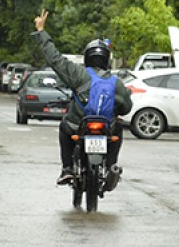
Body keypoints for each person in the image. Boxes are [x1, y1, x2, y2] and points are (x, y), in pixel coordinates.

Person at [33, 10, 134, 186]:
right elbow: (126, 108)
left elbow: (55, 59)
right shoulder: (115, 82)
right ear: (107, 59)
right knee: (118, 126)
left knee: (64, 126)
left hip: (78, 125)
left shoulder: (77, 74)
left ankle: (67, 169)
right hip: (107, 127)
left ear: (87, 57)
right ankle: (110, 167)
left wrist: (41, 31)